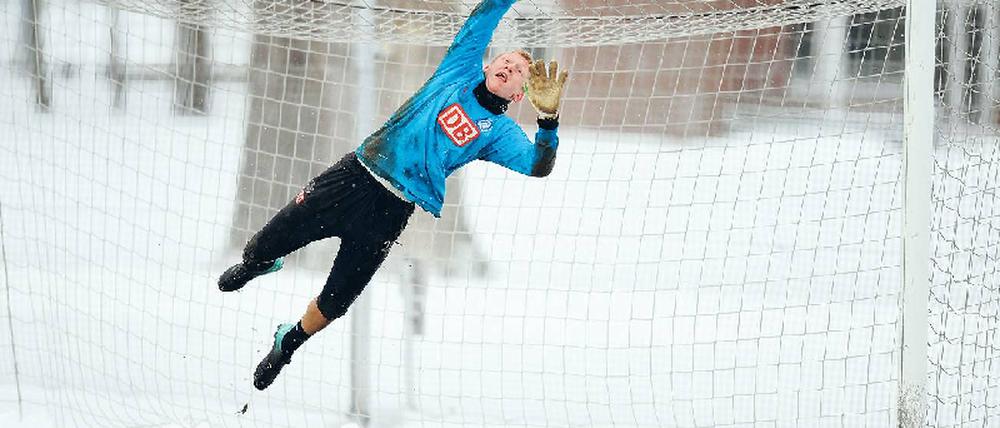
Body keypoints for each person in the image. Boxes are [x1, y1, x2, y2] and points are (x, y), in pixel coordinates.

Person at [219, 0, 569, 391]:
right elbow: (483, 17)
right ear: (487, 65)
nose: (510, 68)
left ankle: (288, 342)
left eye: (520, 71)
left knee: (336, 302)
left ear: (522, 93)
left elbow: (537, 166)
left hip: (390, 211)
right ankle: (259, 264)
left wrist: (548, 121)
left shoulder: (500, 134)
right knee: (259, 247)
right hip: (355, 176)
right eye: (505, 61)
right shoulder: (459, 68)